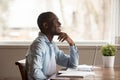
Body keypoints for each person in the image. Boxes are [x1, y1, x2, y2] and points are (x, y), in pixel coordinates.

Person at [26, 11, 79, 80]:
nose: (60, 24)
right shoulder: (38, 45)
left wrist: (71, 43)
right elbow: (35, 72)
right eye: (56, 21)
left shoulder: (51, 44)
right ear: (46, 25)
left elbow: (73, 65)